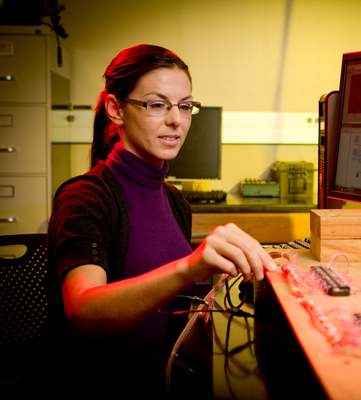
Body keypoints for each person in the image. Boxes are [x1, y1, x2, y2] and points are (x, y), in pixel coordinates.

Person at [46, 44, 276, 399]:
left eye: (185, 106)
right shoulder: (86, 197)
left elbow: (180, 332)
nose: (177, 121)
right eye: (157, 105)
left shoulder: (175, 201)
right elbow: (83, 314)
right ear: (115, 109)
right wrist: (188, 267)